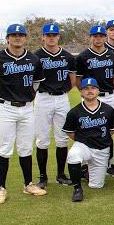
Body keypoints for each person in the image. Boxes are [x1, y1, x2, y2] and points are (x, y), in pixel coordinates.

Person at [0, 23, 47, 204]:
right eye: (13, 35)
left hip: (27, 108)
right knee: (4, 148)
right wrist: (1, 98)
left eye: (21, 35)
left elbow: (36, 83)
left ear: (25, 38)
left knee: (26, 147)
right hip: (5, 108)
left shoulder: (33, 59)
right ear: (8, 38)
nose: (17, 37)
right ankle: (1, 188)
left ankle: (28, 184)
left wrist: (28, 97)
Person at [33, 23, 76, 189]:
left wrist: (63, 91)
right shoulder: (36, 56)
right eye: (48, 35)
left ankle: (60, 174)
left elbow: (72, 79)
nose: (51, 38)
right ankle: (43, 177)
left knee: (62, 138)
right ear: (43, 37)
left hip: (62, 98)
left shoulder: (67, 56)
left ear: (59, 37)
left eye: (54, 35)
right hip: (43, 98)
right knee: (42, 139)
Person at [62, 77, 114, 201]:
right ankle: (77, 189)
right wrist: (83, 140)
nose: (89, 91)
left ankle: (83, 172)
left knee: (96, 185)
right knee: (73, 155)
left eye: (93, 88)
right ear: (81, 92)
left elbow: (112, 130)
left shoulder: (108, 109)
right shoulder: (74, 112)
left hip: (102, 149)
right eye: (86, 88)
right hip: (84, 146)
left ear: (98, 90)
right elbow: (70, 133)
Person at [75, 25, 114, 110]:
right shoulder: (82, 57)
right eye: (95, 36)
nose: (98, 39)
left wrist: (109, 88)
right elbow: (78, 79)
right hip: (89, 97)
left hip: (108, 97)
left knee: (110, 122)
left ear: (105, 38)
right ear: (90, 38)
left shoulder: (113, 56)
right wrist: (84, 93)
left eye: (101, 36)